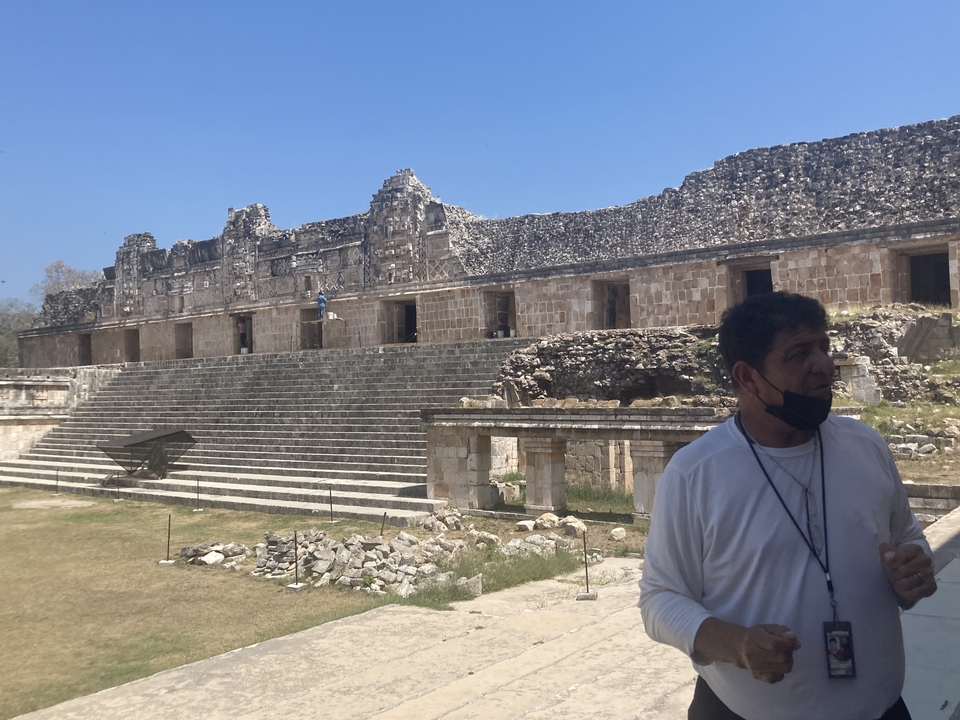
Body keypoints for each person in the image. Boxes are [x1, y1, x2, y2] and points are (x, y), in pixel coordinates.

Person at [638, 291, 937, 720]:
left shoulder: (865, 445)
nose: (824, 365)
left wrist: (914, 569)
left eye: (824, 347)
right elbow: (660, 598)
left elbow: (907, 536)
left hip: (883, 708)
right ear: (748, 377)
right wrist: (737, 645)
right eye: (800, 353)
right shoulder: (696, 472)